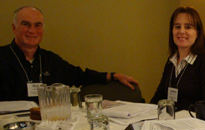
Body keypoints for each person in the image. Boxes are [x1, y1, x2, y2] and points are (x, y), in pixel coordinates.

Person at [0, 6, 139, 103]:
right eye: (26, 24)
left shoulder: (49, 60)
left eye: (38, 25)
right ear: (14, 27)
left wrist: (113, 76)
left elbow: (80, 76)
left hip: (45, 126)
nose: (32, 30)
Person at [150, 6, 205, 126]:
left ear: (197, 33)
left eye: (188, 27)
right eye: (177, 26)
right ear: (172, 31)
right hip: (172, 127)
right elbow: (159, 98)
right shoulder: (171, 62)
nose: (181, 31)